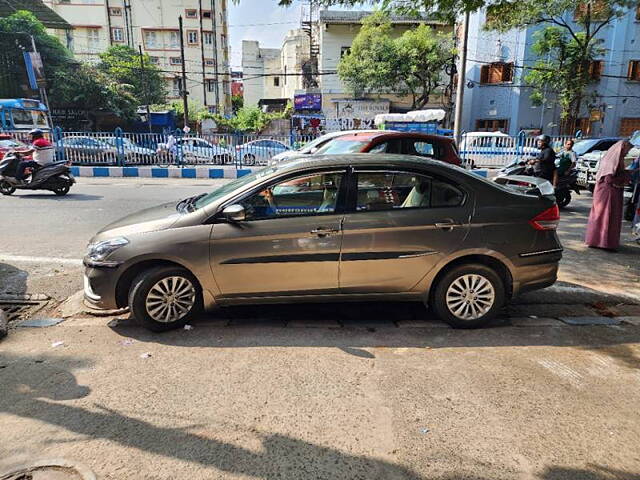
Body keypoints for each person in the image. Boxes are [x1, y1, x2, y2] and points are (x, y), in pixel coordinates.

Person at [585, 140, 633, 251]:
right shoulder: (612, 161)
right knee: (606, 216)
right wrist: (624, 177)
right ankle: (604, 242)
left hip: (610, 192)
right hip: (608, 193)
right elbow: (609, 179)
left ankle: (599, 240)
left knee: (604, 215)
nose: (627, 153)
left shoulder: (615, 159)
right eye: (627, 150)